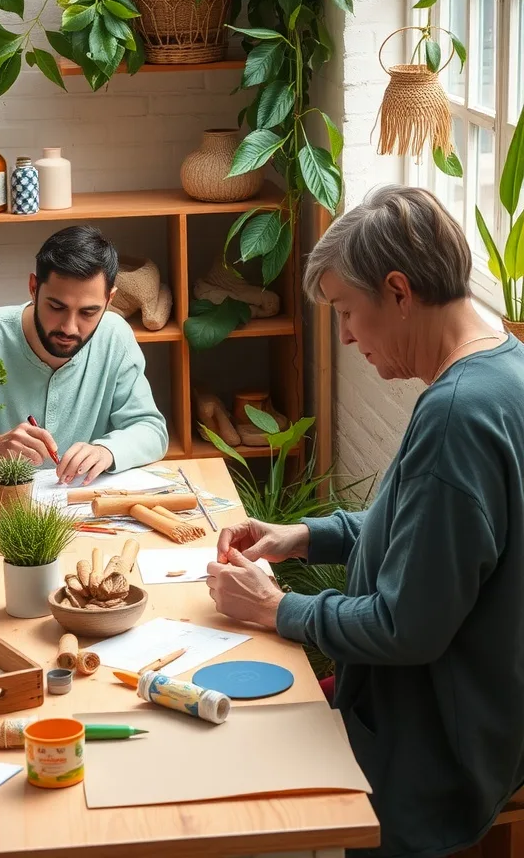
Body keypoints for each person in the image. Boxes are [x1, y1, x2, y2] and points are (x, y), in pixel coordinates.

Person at [206, 186, 524, 858]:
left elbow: (407, 627)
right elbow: (422, 532)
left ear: (400, 293)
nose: (346, 336)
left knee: (226, 779)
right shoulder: (501, 367)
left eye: (348, 312)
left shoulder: (456, 416)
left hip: (434, 756)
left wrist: (277, 609)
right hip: (485, 715)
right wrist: (305, 535)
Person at [0, 225, 168, 484]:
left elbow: (151, 430)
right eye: (56, 306)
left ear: (109, 300)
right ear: (33, 288)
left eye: (88, 312)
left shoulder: (115, 337)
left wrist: (107, 450)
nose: (69, 328)